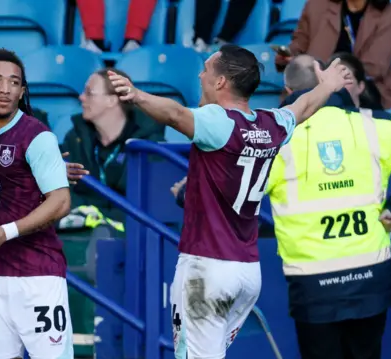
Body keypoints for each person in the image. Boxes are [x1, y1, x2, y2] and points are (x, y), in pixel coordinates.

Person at [108, 43, 353, 358]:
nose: (200, 74)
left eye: (207, 69)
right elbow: (303, 107)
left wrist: (136, 94)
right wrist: (329, 86)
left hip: (206, 269)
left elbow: (174, 114)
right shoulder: (270, 124)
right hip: (247, 272)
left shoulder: (217, 120)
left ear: (221, 82)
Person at [266, 55, 391, 359]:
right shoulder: (377, 124)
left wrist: (184, 193)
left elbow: (235, 188)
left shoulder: (276, 139)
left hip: (314, 286)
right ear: (325, 78)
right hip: (371, 279)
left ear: (287, 90)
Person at [0, 48, 73, 358]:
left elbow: (61, 201)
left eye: (14, 83)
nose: (5, 89)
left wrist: (5, 232)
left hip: (37, 275)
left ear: (22, 90)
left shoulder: (37, 136)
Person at [62, 67, 164, 223]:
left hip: (131, 235)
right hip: (81, 231)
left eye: (89, 93)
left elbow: (151, 204)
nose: (81, 98)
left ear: (112, 100)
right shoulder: (75, 138)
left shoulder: (148, 145)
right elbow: (63, 191)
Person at [275, 0, 391, 108]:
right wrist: (289, 55)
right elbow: (299, 42)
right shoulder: (316, 5)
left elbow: (374, 67)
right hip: (315, 84)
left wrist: (330, 78)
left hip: (366, 90)